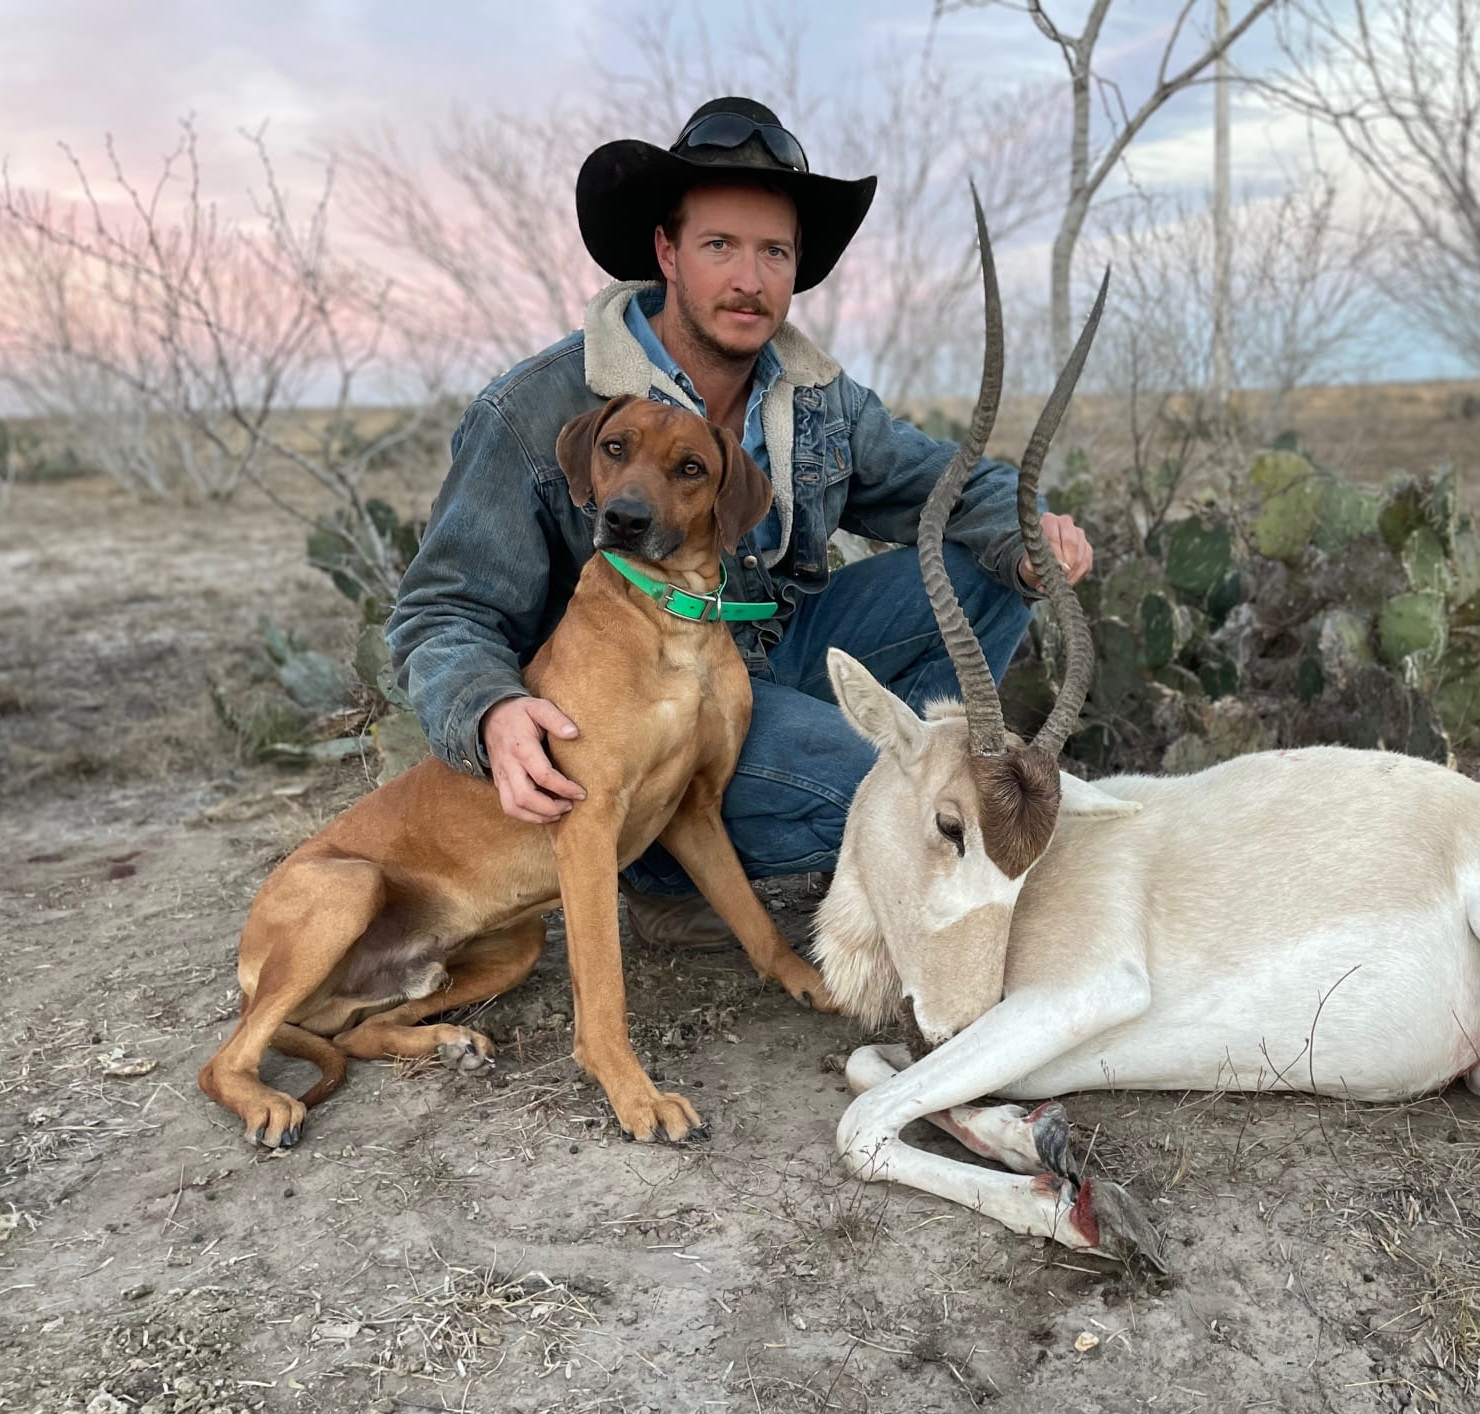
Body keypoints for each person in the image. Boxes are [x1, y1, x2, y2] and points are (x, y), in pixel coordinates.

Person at [387, 98, 1093, 948]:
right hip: (635, 723)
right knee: (871, 789)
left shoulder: (821, 399)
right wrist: (491, 709)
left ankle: (902, 810)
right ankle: (670, 869)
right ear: (667, 253)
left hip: (768, 664)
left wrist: (1030, 539)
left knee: (988, 567)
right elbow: (443, 609)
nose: (749, 280)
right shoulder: (536, 411)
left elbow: (950, 485)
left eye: (774, 252)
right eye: (720, 246)